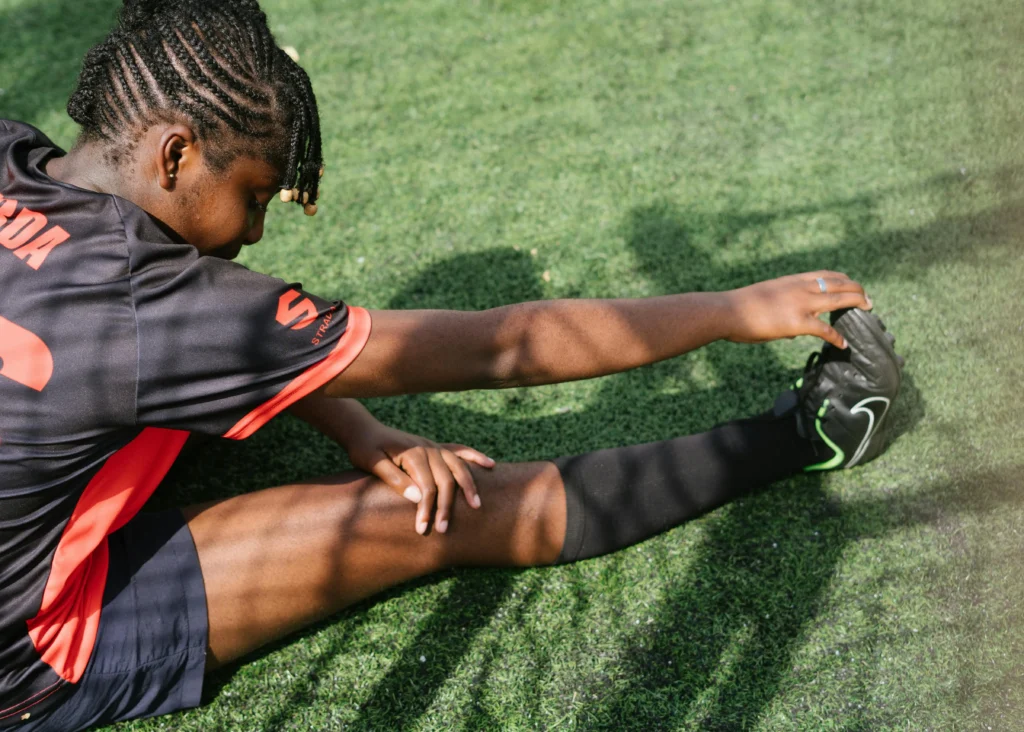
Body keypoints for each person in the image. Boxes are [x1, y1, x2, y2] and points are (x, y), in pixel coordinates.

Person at [0, 1, 903, 729]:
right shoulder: (166, 307)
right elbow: (500, 345)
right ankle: (809, 434)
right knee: (441, 510)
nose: (254, 232)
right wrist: (728, 311)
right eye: (253, 196)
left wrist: (358, 422)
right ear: (174, 153)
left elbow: (201, 338)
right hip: (32, 653)